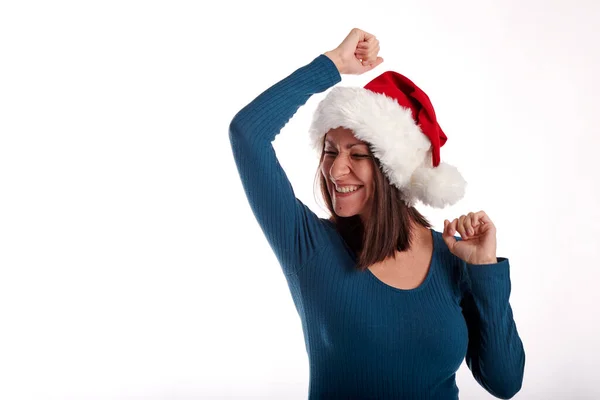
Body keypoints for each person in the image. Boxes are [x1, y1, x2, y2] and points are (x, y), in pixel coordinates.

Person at [229, 28, 525, 399]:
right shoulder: (308, 245)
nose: (335, 170)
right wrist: (332, 65)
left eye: (356, 154)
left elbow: (505, 382)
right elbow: (247, 134)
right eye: (330, 150)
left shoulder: (454, 257)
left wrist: (484, 271)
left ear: (392, 169)